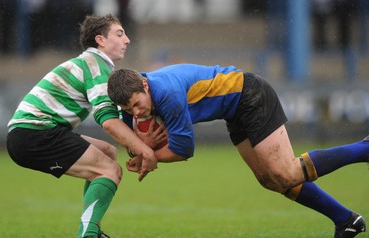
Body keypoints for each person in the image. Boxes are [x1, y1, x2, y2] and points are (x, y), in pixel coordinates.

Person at [107, 64, 367, 238]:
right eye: (128, 110)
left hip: (250, 95)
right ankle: (346, 221)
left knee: (286, 173)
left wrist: (150, 157)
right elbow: (133, 141)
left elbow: (184, 149)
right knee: (271, 180)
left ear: (145, 85)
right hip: (234, 111)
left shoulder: (167, 94)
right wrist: (140, 151)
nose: (136, 113)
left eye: (137, 105)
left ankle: (363, 149)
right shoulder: (134, 96)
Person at [6, 14, 159, 238]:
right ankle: (88, 234)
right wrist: (145, 150)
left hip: (33, 131)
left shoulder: (91, 63)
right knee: (109, 171)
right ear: (100, 40)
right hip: (36, 133)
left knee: (107, 152)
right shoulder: (96, 66)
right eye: (119, 33)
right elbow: (108, 121)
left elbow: (114, 124)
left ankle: (91, 231)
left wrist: (137, 146)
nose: (126, 40)